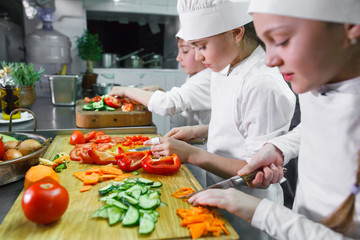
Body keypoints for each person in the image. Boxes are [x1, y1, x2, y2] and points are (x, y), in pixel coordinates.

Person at [187, 0, 360, 239]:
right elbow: (316, 127)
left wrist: (259, 211)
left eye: (281, 41)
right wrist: (278, 147)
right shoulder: (319, 78)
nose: (269, 60)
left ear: (349, 26)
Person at [148, 0, 296, 239]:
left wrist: (191, 154)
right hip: (220, 191)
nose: (198, 56)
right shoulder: (224, 65)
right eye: (194, 47)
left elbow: (255, 172)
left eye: (202, 46)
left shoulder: (263, 85)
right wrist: (199, 129)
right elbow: (238, 124)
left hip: (249, 209)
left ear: (236, 33)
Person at [109, 30, 211, 127]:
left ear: (202, 51)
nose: (178, 58)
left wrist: (126, 90)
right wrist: (160, 91)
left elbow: (168, 103)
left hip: (199, 144)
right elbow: (186, 102)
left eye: (184, 51)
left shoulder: (206, 79)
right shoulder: (195, 76)